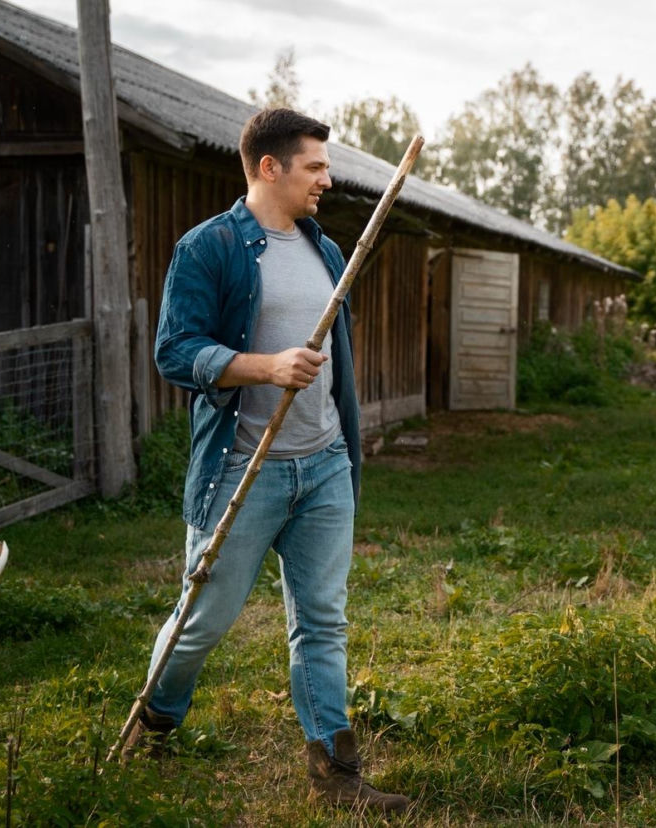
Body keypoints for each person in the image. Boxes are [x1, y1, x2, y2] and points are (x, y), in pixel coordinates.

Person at [121, 108, 409, 815]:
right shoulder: (209, 247)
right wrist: (264, 366)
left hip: (324, 464)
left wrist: (340, 441)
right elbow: (174, 351)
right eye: (315, 166)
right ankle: (157, 719)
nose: (327, 179)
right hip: (242, 470)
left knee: (322, 620)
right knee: (202, 620)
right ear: (270, 167)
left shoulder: (326, 250)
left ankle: (335, 771)